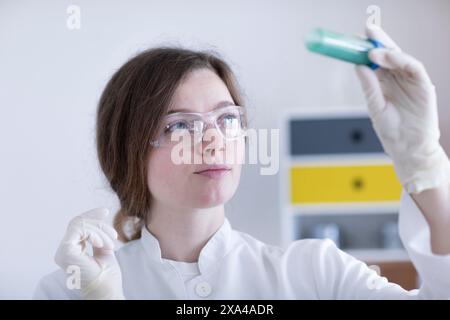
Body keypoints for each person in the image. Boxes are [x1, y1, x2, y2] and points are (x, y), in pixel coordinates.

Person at [33, 25, 450, 299]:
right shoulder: (72, 289)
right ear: (126, 149)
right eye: (180, 126)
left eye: (227, 119)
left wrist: (424, 163)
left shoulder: (315, 274)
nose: (214, 141)